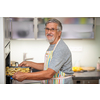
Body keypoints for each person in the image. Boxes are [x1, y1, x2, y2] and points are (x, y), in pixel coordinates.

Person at [12, 18, 74, 84]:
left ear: (59, 33)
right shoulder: (53, 45)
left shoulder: (60, 48)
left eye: (52, 29)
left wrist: (24, 75)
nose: (49, 32)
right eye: (47, 29)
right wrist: (30, 63)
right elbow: (50, 66)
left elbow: (49, 74)